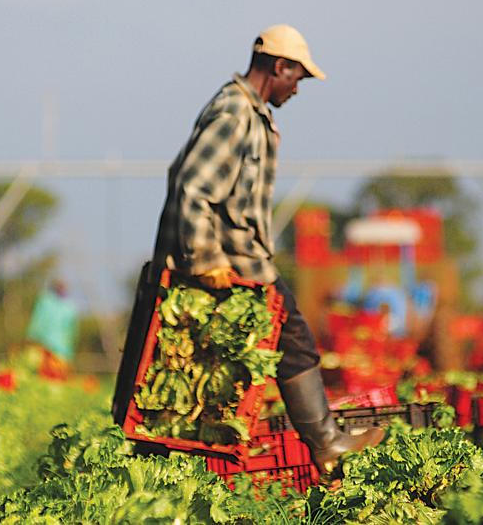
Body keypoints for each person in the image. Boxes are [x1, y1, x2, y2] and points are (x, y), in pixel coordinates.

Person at [152, 24, 384, 474]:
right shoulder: (235, 112)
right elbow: (192, 186)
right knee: (288, 340)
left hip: (247, 262)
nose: (297, 88)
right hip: (232, 264)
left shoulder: (251, 113)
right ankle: (325, 442)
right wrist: (203, 260)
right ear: (279, 67)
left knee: (280, 344)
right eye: (297, 77)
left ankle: (325, 440)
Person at [25, 279, 78, 379]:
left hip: (60, 350)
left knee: (53, 376)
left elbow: (71, 332)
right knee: (45, 375)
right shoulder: (46, 302)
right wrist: (32, 338)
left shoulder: (69, 308)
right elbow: (38, 321)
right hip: (45, 346)